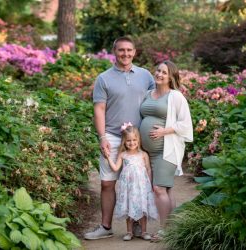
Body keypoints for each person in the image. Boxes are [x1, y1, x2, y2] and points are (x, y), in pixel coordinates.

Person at [84, 36, 155, 240]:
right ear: (114, 52)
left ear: (135, 52)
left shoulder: (146, 75)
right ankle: (106, 227)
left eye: (129, 50)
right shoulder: (104, 78)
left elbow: (157, 100)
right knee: (107, 183)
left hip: (137, 140)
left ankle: (137, 226)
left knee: (137, 182)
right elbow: (99, 109)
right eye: (121, 50)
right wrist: (102, 136)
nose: (125, 54)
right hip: (113, 137)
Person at [139, 60, 193, 241]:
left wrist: (164, 131)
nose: (159, 74)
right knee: (167, 189)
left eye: (164, 72)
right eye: (158, 70)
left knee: (159, 188)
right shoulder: (148, 94)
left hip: (167, 150)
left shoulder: (175, 96)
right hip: (149, 152)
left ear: (171, 77)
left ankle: (164, 230)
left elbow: (186, 124)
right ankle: (172, 227)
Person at [105, 123, 158, 241]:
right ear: (124, 141)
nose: (132, 142)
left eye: (134, 140)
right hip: (128, 187)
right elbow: (115, 168)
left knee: (142, 207)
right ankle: (129, 232)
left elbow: (148, 169)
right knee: (128, 206)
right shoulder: (123, 155)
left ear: (138, 140)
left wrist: (150, 184)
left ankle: (144, 231)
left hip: (141, 187)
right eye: (128, 140)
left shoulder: (143, 154)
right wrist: (108, 157)